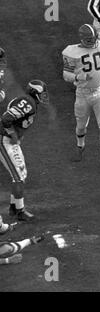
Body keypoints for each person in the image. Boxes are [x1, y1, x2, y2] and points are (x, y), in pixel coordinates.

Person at [62, 24, 100, 170]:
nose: (92, 42)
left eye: (93, 38)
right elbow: (66, 74)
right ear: (82, 38)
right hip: (82, 93)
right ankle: (80, 147)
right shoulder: (71, 52)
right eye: (89, 39)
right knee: (81, 126)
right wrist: (79, 76)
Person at [0, 80, 49, 221]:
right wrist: (14, 135)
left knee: (22, 174)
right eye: (42, 94)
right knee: (19, 177)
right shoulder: (28, 102)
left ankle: (14, 207)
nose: (45, 96)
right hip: (5, 140)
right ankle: (19, 211)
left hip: (9, 140)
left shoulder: (30, 102)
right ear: (35, 93)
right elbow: (5, 119)